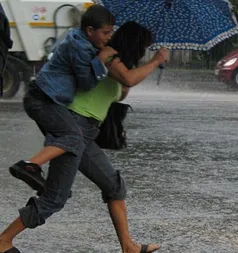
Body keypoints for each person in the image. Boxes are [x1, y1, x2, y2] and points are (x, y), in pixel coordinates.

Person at [0, 22, 168, 253]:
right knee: (55, 198)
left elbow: (122, 89)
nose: (145, 52)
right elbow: (128, 80)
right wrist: (156, 61)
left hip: (87, 132)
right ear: (135, 44)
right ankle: (3, 240)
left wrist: (143, 68)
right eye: (145, 47)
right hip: (74, 127)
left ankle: (128, 246)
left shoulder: (119, 64)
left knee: (114, 186)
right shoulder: (109, 57)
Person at [8, 4, 117, 195]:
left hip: (44, 97)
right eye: (106, 32)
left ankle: (51, 186)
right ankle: (29, 166)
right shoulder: (81, 47)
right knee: (73, 137)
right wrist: (100, 61)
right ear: (90, 30)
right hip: (44, 98)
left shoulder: (79, 39)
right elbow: (86, 83)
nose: (109, 37)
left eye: (111, 33)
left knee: (64, 137)